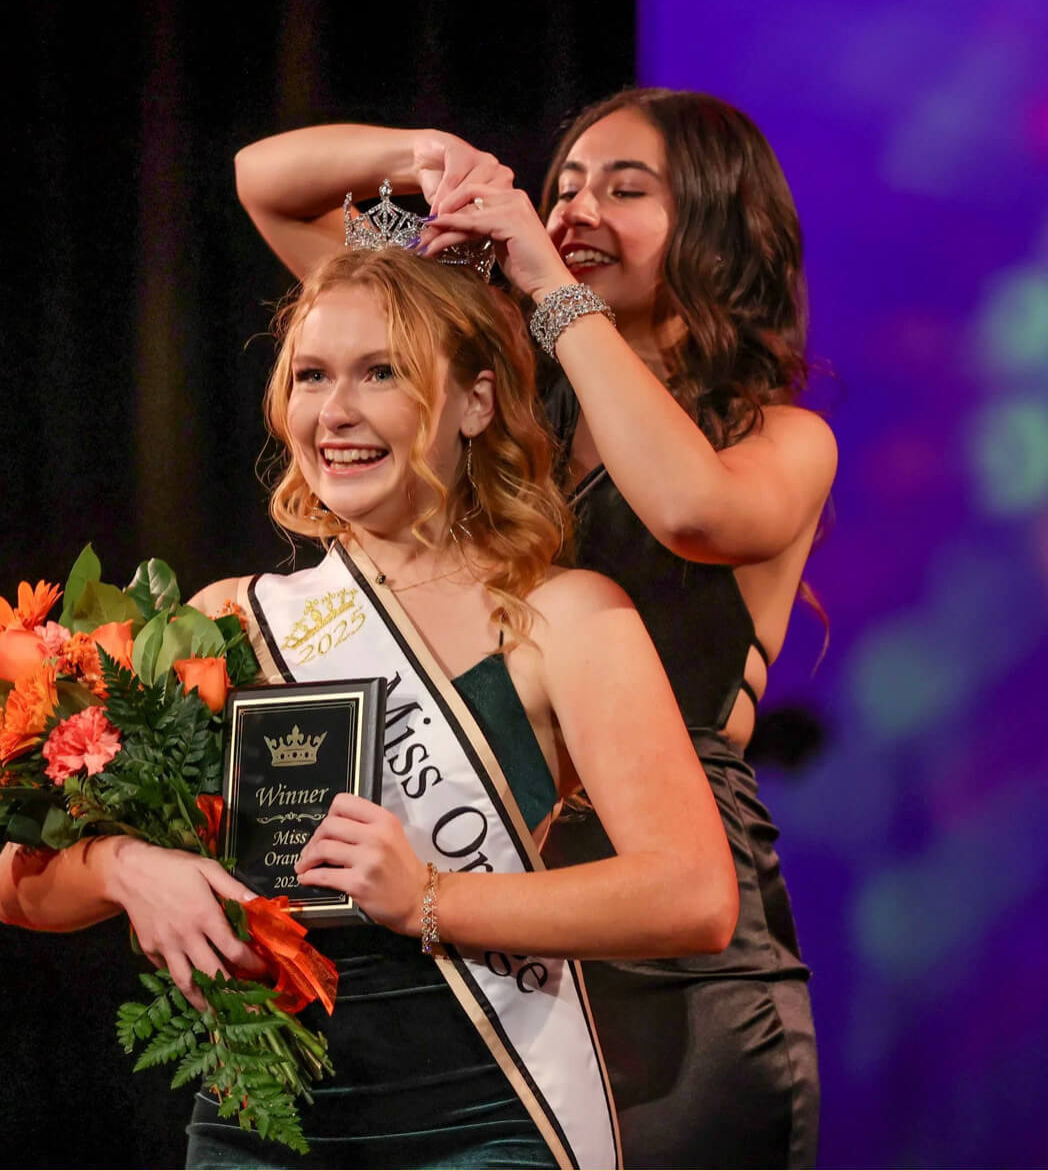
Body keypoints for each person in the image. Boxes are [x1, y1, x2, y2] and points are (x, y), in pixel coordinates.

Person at [0, 244, 738, 1170]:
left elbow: (695, 896)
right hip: (259, 1127)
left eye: (380, 372)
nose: (334, 413)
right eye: (311, 376)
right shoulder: (228, 621)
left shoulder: (562, 619)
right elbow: (16, 884)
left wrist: (432, 896)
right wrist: (129, 868)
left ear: (476, 401)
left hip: (485, 1117)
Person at [235, 87, 835, 1168]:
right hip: (487, 938)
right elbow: (265, 183)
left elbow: (690, 511)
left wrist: (548, 284)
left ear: (717, 216)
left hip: (676, 942)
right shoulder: (497, 405)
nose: (575, 208)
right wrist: (426, 154)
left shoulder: (781, 439)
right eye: (561, 188)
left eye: (625, 187)